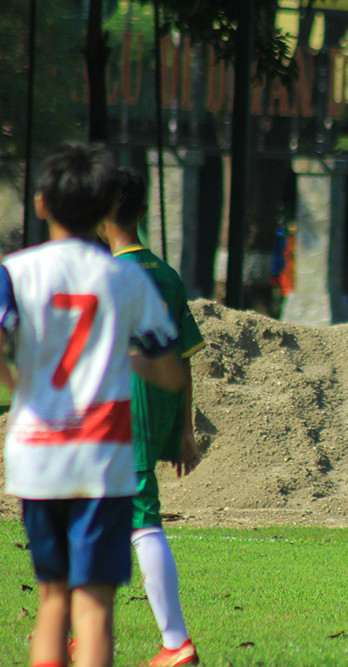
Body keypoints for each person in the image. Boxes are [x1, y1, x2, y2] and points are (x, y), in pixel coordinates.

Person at [0, 143, 184, 667]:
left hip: (36, 451)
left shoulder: (16, 270)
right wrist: (136, 361)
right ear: (107, 207)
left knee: (51, 599)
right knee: (95, 610)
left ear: (40, 204)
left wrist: (19, 387)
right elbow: (168, 370)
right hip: (102, 457)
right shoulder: (126, 278)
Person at [98, 167, 205, 667]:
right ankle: (90, 631)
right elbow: (184, 357)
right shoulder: (166, 274)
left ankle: (175, 641)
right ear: (142, 211)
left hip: (125, 408)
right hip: (159, 406)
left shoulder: (109, 277)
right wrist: (184, 429)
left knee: (141, 516)